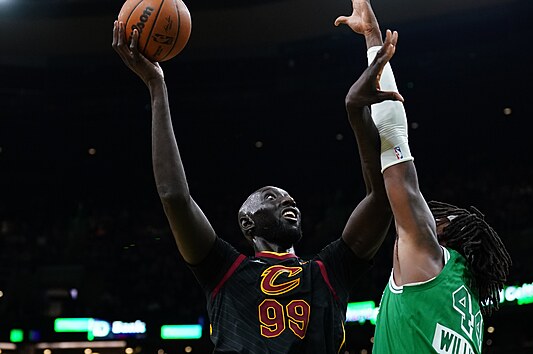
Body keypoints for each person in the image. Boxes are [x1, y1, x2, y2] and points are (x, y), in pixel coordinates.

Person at [111, 17, 396, 353]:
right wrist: (156, 87)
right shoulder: (224, 271)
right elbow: (174, 196)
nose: (288, 202)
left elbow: (381, 198)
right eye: (272, 197)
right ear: (247, 222)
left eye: (290, 198)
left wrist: (355, 110)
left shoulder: (328, 271)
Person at [336, 0, 512, 352]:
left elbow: (396, 151)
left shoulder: (430, 260)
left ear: (445, 230)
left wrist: (373, 40)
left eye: (436, 217)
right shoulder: (468, 306)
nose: (429, 215)